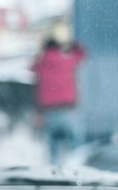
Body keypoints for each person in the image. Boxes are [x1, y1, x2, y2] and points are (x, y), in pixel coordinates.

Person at [31, 28, 86, 164]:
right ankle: (76, 170)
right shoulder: (67, 61)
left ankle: (53, 171)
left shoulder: (40, 63)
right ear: (58, 48)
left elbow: (31, 69)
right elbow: (82, 54)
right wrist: (72, 45)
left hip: (48, 111)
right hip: (68, 109)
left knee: (52, 146)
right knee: (75, 146)